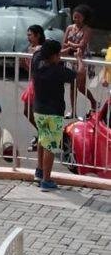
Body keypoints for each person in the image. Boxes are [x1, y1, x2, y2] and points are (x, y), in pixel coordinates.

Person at [32, 39, 81, 192]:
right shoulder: (57, 71)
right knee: (50, 146)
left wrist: (62, 52)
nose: (60, 57)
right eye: (58, 54)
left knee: (42, 139)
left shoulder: (37, 60)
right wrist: (79, 58)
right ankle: (46, 180)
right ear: (53, 56)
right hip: (53, 112)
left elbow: (40, 51)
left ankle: (39, 172)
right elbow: (79, 74)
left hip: (38, 109)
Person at [61, 5, 97, 117]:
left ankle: (94, 102)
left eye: (78, 17)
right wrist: (71, 46)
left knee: (80, 86)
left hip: (82, 59)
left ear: (84, 18)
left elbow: (82, 45)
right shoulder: (69, 28)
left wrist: (70, 45)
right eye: (74, 17)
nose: (76, 19)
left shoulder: (88, 30)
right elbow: (64, 43)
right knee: (72, 85)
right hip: (71, 59)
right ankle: (73, 111)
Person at [21, 24, 46, 151]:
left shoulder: (41, 49)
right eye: (28, 35)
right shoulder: (30, 48)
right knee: (28, 111)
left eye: (30, 35)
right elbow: (30, 69)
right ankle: (41, 133)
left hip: (38, 83)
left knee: (34, 111)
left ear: (38, 35)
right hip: (33, 81)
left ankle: (43, 136)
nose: (28, 38)